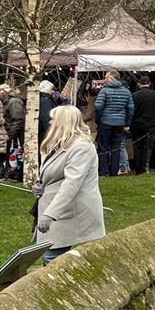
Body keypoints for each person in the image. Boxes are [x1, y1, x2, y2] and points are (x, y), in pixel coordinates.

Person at [34, 105, 105, 264]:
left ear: (63, 122)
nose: (50, 122)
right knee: (50, 256)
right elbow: (55, 174)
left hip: (71, 211)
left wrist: (50, 214)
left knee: (53, 259)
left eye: (54, 119)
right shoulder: (58, 144)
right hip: (60, 209)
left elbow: (72, 184)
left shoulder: (81, 147)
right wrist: (41, 184)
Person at [92, 72, 133, 177]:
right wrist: (127, 123)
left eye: (106, 78)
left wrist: (98, 120)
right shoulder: (126, 92)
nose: (105, 80)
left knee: (103, 148)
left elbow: (98, 106)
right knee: (116, 148)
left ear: (110, 78)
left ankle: (103, 172)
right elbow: (130, 108)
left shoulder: (104, 91)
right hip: (120, 123)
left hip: (105, 122)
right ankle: (114, 172)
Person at [130, 76, 155, 175]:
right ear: (149, 83)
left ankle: (138, 169)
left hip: (136, 124)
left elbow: (131, 111)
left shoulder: (134, 95)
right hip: (151, 124)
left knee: (137, 147)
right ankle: (145, 168)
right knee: (148, 147)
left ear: (139, 84)